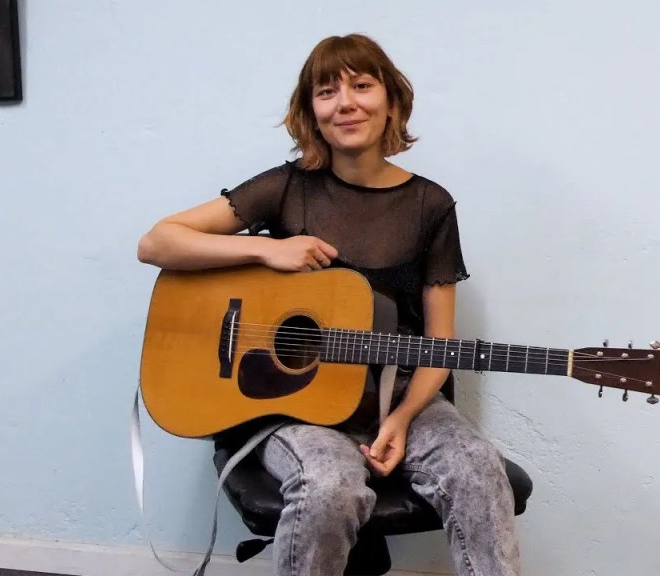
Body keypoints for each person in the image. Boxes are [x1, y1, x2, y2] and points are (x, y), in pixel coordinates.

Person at [137, 33, 521, 576]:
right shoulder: (285, 188)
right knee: (328, 484)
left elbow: (440, 344)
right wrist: (268, 248)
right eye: (326, 91)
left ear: (390, 99)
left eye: (362, 86)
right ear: (310, 112)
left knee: (479, 468)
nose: (345, 103)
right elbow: (156, 243)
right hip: (290, 403)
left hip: (396, 396)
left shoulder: (430, 205)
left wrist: (406, 418)